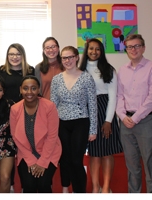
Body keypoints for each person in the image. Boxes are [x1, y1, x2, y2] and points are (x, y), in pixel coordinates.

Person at [50, 46, 97, 193]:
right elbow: (53, 105)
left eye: (70, 57)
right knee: (64, 159)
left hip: (80, 122)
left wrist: (93, 130)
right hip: (62, 123)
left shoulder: (86, 77)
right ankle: (65, 189)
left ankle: (79, 192)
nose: (67, 60)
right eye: (64, 58)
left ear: (76, 57)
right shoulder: (56, 79)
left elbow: (93, 105)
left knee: (77, 161)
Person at [80, 38, 123, 193]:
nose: (94, 52)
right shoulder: (81, 69)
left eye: (97, 49)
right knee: (94, 152)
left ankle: (106, 188)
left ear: (102, 51)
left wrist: (108, 121)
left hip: (105, 110)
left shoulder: (109, 69)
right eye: (91, 48)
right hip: (87, 112)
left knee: (107, 152)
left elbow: (113, 97)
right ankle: (95, 187)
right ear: (87, 50)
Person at [9, 75, 61, 193]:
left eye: (33, 88)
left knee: (43, 185)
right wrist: (31, 160)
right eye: (26, 88)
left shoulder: (49, 106)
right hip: (26, 153)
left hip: (49, 152)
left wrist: (42, 162)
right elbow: (15, 136)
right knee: (29, 185)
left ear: (38, 90)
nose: (29, 92)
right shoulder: (14, 109)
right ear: (20, 90)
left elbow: (52, 136)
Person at [0, 43, 34, 192]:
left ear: (22, 56)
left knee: (25, 151)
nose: (14, 57)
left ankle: (25, 186)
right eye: (11, 54)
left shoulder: (30, 71)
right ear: (7, 56)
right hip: (5, 117)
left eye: (18, 54)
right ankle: (9, 185)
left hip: (26, 116)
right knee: (9, 152)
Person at [116, 34, 152, 193]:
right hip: (126, 124)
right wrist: (123, 116)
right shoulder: (122, 70)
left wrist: (135, 118)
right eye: (130, 47)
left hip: (145, 122)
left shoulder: (151, 67)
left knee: (149, 165)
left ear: (143, 48)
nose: (133, 49)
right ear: (126, 50)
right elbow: (119, 96)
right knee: (132, 167)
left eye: (137, 46)